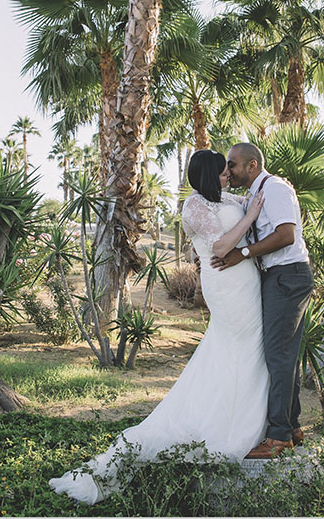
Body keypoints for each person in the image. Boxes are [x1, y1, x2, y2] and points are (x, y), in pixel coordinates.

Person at [49, 150, 269, 504]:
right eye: (223, 170)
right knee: (235, 346)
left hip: (247, 283)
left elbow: (251, 210)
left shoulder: (227, 198)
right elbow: (221, 245)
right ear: (209, 175)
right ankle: (229, 424)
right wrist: (253, 215)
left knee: (243, 349)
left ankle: (241, 413)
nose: (228, 173)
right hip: (226, 286)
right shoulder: (194, 206)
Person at [211, 142, 314, 459]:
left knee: (277, 355)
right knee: (285, 355)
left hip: (287, 276)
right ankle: (292, 426)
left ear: (252, 165)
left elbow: (286, 235)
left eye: (233, 165)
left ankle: (279, 435)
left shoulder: (276, 189)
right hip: (279, 276)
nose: (228, 171)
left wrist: (243, 254)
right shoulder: (256, 194)